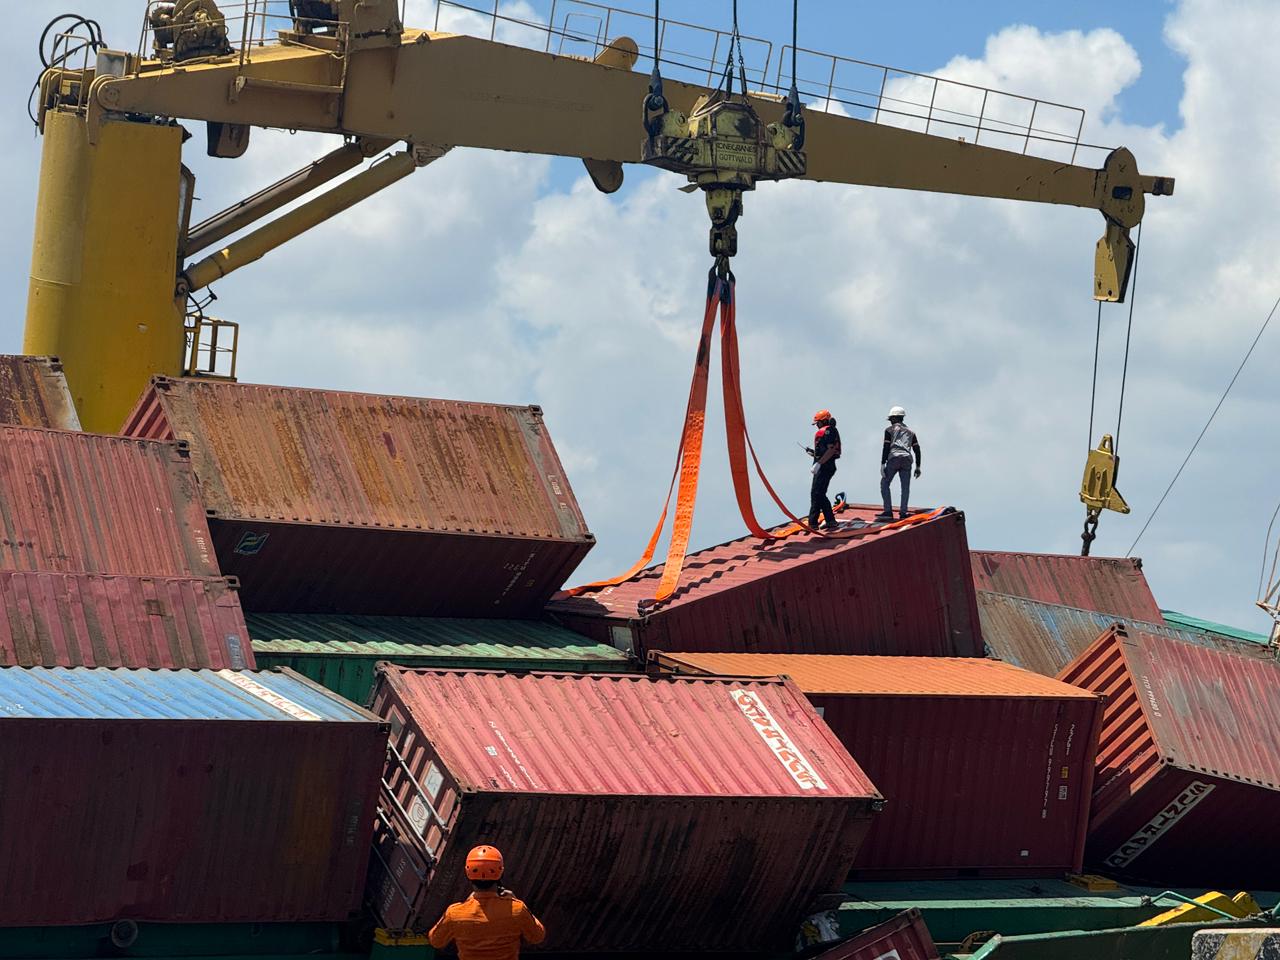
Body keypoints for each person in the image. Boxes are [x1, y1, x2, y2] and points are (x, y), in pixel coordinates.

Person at [428, 845, 545, 960]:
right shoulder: (517, 909)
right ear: (501, 872)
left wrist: (468, 902)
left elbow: (435, 941)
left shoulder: (454, 913)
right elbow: (538, 936)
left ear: (468, 873)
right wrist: (515, 901)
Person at [878, 405, 921, 521]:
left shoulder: (889, 430)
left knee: (884, 484)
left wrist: (882, 464)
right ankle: (903, 512)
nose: (890, 421)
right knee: (905, 487)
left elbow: (886, 447)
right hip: (907, 459)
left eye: (891, 419)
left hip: (894, 458)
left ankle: (888, 511)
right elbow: (917, 450)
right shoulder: (911, 432)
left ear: (895, 418)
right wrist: (918, 467)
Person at [804, 409, 841, 531]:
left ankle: (813, 524)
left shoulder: (829, 431)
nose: (817, 426)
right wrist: (814, 454)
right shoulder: (828, 431)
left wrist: (819, 463)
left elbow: (831, 450)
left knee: (816, 493)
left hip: (825, 467)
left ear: (824, 421)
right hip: (824, 465)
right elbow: (826, 451)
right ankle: (829, 521)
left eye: (818, 423)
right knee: (819, 494)